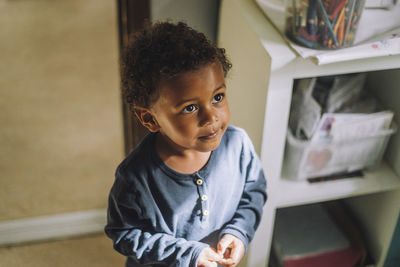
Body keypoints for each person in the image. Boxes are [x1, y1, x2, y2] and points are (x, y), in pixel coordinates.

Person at [105, 21, 267, 267]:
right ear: (150, 118)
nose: (211, 117)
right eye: (190, 108)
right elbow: (125, 233)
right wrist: (188, 254)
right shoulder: (135, 178)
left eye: (218, 97)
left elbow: (253, 191)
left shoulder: (238, 146)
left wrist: (238, 231)